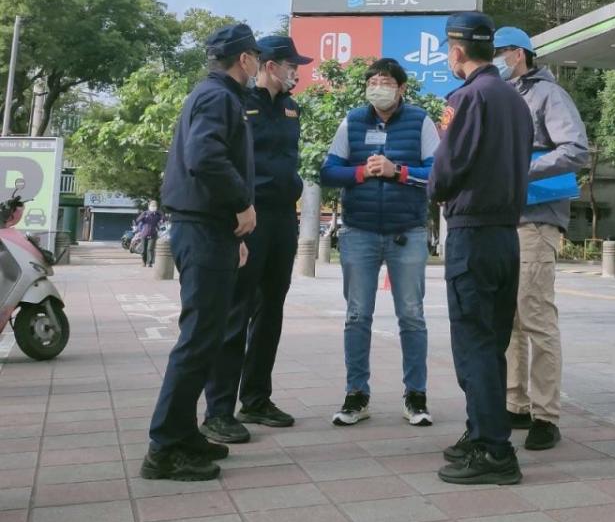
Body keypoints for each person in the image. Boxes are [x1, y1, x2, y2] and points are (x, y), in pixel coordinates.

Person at [139, 24, 259, 481]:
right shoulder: (218, 98)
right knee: (197, 339)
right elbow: (205, 158)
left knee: (205, 337)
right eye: (254, 57)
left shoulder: (215, 95)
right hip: (203, 227)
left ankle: (184, 433)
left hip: (212, 230)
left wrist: (235, 236)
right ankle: (165, 447)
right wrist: (242, 204)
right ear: (244, 59)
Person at [429, 13, 534, 485]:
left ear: (456, 52)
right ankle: (481, 431)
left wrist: (431, 186)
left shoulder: (466, 98)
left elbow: (448, 167)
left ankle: (494, 450)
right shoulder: (514, 99)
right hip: (506, 234)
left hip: (472, 232)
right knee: (491, 341)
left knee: (472, 341)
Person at [201, 35, 312, 444]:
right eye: (289, 65)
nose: (295, 72)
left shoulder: (290, 107)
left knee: (271, 311)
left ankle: (257, 398)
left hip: (283, 218)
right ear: (268, 65)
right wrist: (237, 212)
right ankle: (219, 409)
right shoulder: (237, 104)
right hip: (249, 218)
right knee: (237, 311)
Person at [321, 58, 440, 427]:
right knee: (357, 316)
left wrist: (398, 172)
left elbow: (438, 173)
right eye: (372, 81)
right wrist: (360, 172)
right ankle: (357, 395)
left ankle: (415, 396)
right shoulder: (353, 120)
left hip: (408, 231)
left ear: (401, 88)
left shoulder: (420, 121)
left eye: (385, 81)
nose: (378, 87)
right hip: (359, 232)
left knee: (412, 316)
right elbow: (327, 171)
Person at [492, 26, 588, 452]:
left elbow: (575, 149)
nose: (494, 58)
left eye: (500, 51)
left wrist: (521, 168)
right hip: (501, 218)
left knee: (535, 315)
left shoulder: (548, 94)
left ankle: (546, 414)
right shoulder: (496, 92)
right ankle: (516, 402)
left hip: (536, 219)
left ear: (519, 53)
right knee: (509, 318)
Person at [135, 201, 164, 268]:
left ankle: (150, 262)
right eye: (152, 205)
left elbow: (164, 220)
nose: (153, 207)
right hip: (144, 233)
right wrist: (142, 216)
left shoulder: (157, 215)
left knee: (150, 248)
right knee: (143, 250)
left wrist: (161, 214)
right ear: (149, 206)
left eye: (155, 206)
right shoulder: (145, 213)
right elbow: (137, 220)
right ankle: (144, 262)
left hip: (153, 233)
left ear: (156, 207)